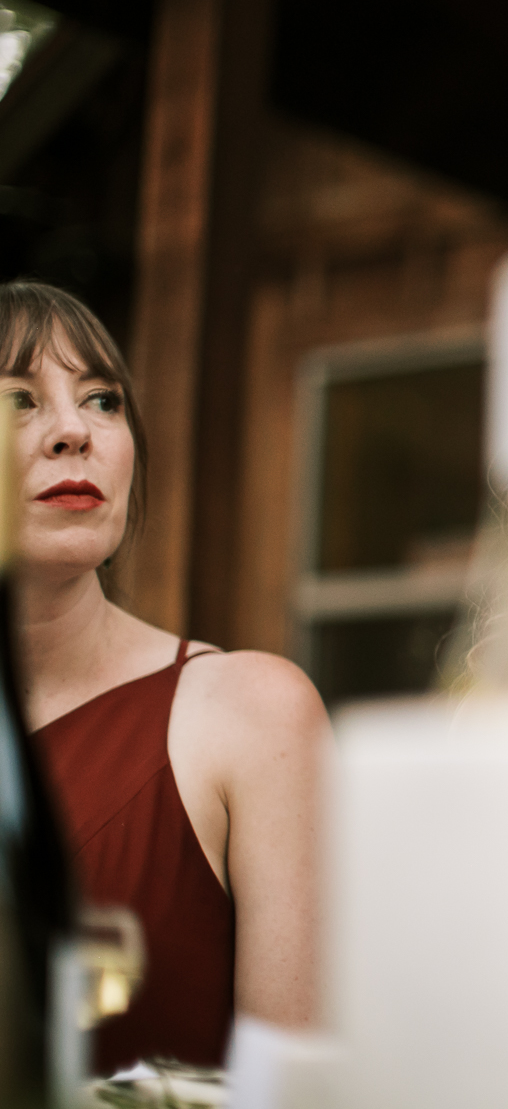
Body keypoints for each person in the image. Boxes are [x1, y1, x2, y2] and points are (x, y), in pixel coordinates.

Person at [1, 281, 329, 1073]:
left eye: (103, 400)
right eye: (19, 400)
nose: (75, 431)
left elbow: (295, 1088)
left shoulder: (253, 714)